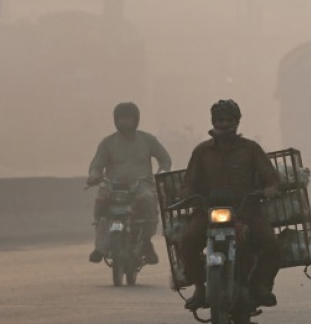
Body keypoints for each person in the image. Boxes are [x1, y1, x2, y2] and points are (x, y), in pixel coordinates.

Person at [178, 100, 284, 311]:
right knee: (187, 242)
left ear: (237, 122)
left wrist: (271, 188)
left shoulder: (251, 149)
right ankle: (200, 288)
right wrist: (186, 195)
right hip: (208, 212)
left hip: (247, 211)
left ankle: (260, 286)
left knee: (272, 244)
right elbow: (189, 182)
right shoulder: (201, 152)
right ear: (213, 122)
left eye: (229, 120)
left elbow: (271, 178)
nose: (224, 125)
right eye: (220, 120)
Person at [87, 102, 172, 264]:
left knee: (148, 199)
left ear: (136, 120)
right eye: (121, 119)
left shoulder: (148, 140)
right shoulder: (107, 143)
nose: (124, 122)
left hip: (141, 184)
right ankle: (100, 247)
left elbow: (164, 158)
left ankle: (146, 242)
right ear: (115, 121)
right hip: (113, 186)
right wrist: (94, 175)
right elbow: (97, 165)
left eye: (128, 119)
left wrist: (164, 171)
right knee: (101, 202)